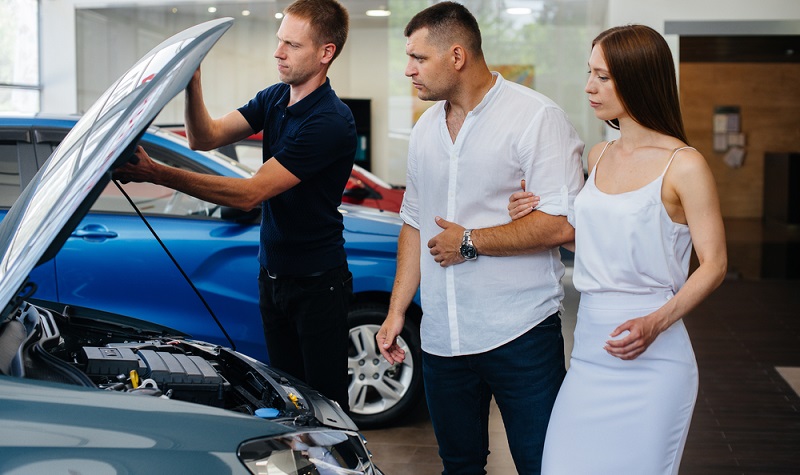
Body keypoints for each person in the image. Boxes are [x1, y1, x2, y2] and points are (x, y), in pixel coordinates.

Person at [114, 0, 356, 410]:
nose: (278, 52)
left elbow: (250, 193)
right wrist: (193, 81)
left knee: (326, 407)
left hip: (318, 286)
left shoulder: (330, 121)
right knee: (288, 401)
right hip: (273, 278)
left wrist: (156, 173)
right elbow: (203, 138)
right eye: (279, 41)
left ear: (325, 53)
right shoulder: (275, 98)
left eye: (292, 46)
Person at [507, 24, 728, 474]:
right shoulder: (598, 156)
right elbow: (597, 241)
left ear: (639, 78)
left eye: (603, 76)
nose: (590, 86)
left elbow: (715, 263)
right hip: (589, 350)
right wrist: (529, 213)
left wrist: (656, 322)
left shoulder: (684, 165)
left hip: (655, 358)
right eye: (590, 72)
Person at [375, 3, 585, 474]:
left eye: (418, 58)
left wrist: (469, 241)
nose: (408, 70)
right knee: (459, 466)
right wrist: (395, 312)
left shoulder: (536, 118)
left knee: (541, 463)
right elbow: (413, 221)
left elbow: (560, 225)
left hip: (520, 333)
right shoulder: (425, 128)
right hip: (443, 337)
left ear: (456, 56)